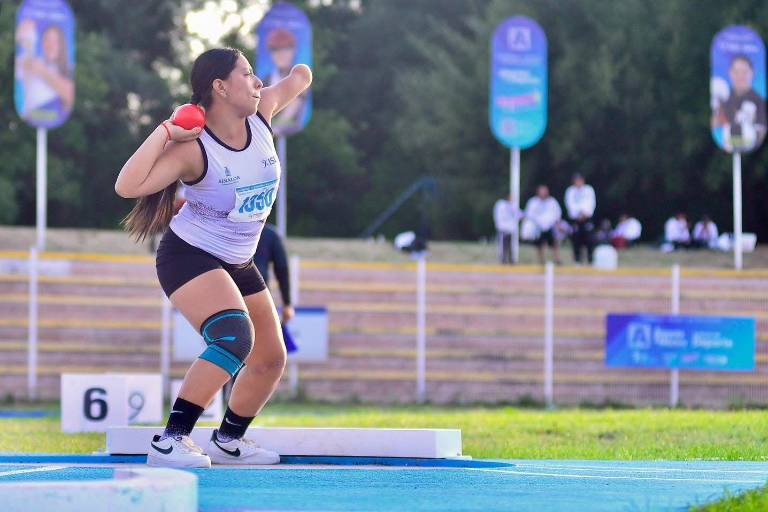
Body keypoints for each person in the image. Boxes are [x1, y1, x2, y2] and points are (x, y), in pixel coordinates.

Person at [115, 48, 312, 468]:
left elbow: (302, 76)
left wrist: (298, 67)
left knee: (271, 357)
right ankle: (170, 440)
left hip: (239, 260)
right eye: (248, 74)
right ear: (220, 87)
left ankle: (228, 440)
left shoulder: (263, 115)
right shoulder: (194, 149)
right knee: (234, 338)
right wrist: (168, 131)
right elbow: (127, 187)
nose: (258, 82)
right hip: (190, 256)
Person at [15, 22, 75, 120]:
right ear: (42, 42)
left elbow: (69, 95)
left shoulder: (68, 68)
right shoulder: (30, 61)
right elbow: (20, 63)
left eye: (55, 41)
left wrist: (42, 72)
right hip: (30, 118)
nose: (51, 45)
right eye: (47, 39)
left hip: (55, 120)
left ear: (61, 45)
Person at [711, 54, 767, 153]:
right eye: (736, 71)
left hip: (748, 143)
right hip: (728, 143)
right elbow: (715, 125)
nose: (740, 76)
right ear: (730, 73)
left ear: (752, 73)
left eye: (744, 72)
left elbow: (761, 131)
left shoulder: (759, 101)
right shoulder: (723, 98)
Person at [264, 28, 308, 136]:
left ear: (294, 51)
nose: (281, 54)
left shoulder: (301, 77)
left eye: (286, 49)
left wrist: (274, 129)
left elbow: (294, 112)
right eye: (276, 50)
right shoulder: (263, 82)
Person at [524, 185, 562, 265]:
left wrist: (557, 225)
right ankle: (541, 261)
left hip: (550, 226)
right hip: (538, 227)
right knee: (540, 244)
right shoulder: (533, 202)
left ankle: (557, 259)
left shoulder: (552, 202)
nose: (543, 193)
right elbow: (529, 215)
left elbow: (557, 214)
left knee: (554, 243)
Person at [564, 173, 596, 264]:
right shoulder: (570, 191)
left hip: (587, 218)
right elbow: (570, 205)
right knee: (576, 240)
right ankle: (577, 261)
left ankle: (590, 260)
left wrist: (585, 213)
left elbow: (591, 203)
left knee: (590, 239)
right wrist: (578, 214)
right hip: (576, 219)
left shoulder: (588, 190)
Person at [493, 194, 521, 264]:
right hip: (503, 229)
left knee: (511, 245)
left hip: (511, 230)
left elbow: (519, 214)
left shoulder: (512, 206)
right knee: (503, 245)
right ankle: (503, 260)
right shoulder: (501, 205)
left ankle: (511, 259)